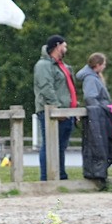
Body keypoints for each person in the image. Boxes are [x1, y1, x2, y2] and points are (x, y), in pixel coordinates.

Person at [33, 34, 77, 181]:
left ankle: (60, 176)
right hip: (51, 112)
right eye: (64, 45)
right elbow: (46, 88)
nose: (66, 48)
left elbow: (67, 88)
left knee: (61, 147)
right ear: (57, 46)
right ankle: (46, 177)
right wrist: (57, 109)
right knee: (49, 145)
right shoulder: (43, 65)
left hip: (66, 112)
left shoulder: (61, 65)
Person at [76, 53, 112, 191]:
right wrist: (102, 109)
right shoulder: (91, 79)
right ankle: (98, 175)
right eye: (103, 64)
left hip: (99, 112)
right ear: (97, 65)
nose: (104, 67)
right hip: (97, 114)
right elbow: (90, 97)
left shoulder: (93, 77)